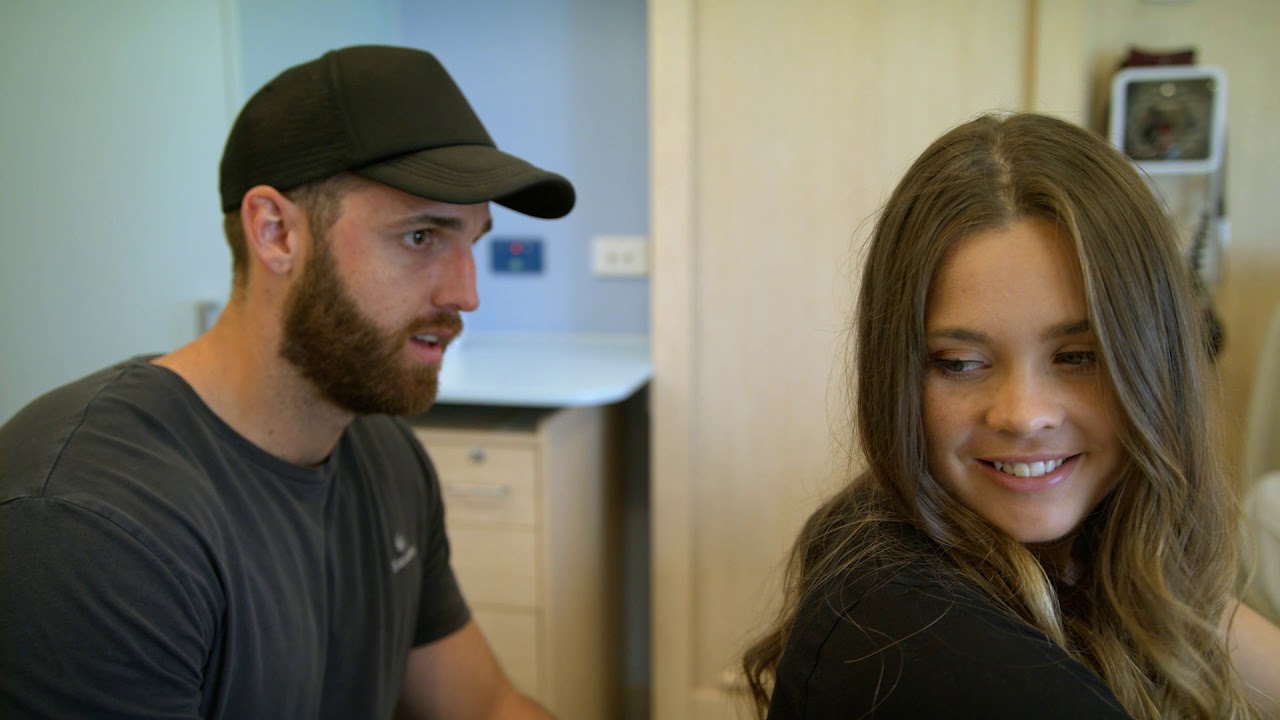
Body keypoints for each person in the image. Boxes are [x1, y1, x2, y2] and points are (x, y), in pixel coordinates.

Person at [0, 45, 573, 719]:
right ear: (275, 233)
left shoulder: (386, 458)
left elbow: (486, 707)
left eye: (470, 242)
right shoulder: (89, 525)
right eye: (421, 237)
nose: (466, 293)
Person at [742, 112, 1280, 718]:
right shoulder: (923, 649)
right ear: (897, 377)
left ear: (1157, 362)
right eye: (961, 363)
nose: (1023, 415)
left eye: (1078, 356)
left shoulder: (1082, 553)